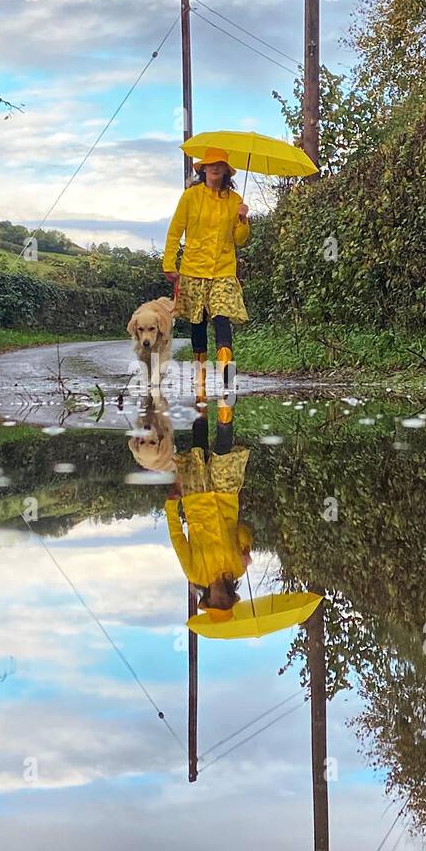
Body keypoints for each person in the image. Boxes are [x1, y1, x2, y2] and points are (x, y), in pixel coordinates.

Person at [162, 147, 250, 400]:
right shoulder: (190, 197)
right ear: (203, 169)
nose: (214, 168)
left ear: (225, 170)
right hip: (193, 269)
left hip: (223, 270)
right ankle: (199, 380)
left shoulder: (235, 200)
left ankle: (228, 382)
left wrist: (243, 220)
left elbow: (239, 240)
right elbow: (174, 231)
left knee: (222, 319)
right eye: (210, 164)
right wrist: (170, 263)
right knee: (198, 324)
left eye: (219, 164)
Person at [164, 407, 253, 625]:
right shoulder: (239, 569)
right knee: (223, 452)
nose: (221, 600)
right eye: (225, 604)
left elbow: (178, 539)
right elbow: (241, 528)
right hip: (225, 497)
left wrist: (171, 505)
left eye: (217, 603)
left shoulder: (195, 575)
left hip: (196, 499)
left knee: (199, 448)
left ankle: (201, 397)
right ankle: (225, 405)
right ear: (232, 599)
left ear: (208, 600)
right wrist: (245, 548)